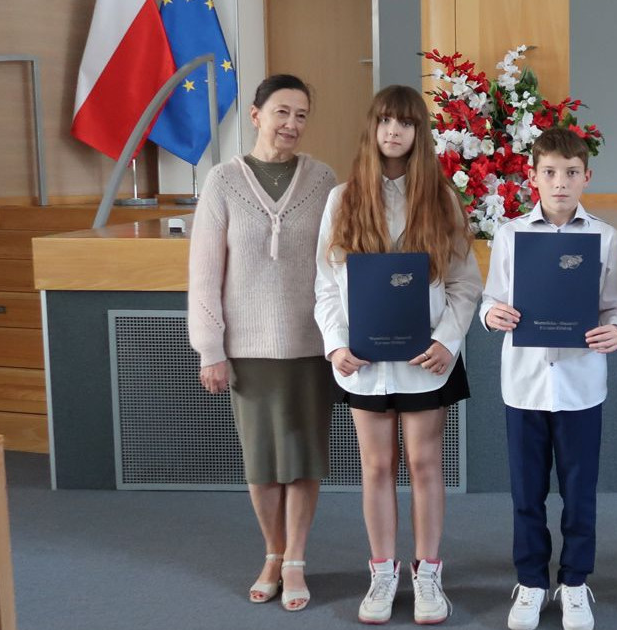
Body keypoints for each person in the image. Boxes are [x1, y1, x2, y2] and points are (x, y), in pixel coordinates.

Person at [313, 84, 482, 626]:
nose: (394, 131)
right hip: (363, 363)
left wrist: (447, 342)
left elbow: (464, 286)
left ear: (419, 133)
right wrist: (335, 344)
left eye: (405, 122)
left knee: (426, 465)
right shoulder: (342, 199)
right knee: (376, 466)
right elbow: (324, 286)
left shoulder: (441, 198)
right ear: (372, 127)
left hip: (423, 360)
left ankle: (428, 570)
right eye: (385, 120)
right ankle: (381, 572)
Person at [188, 74, 340, 612]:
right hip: (248, 346)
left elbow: (339, 263)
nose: (291, 124)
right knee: (261, 461)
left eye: (301, 114)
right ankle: (272, 553)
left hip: (310, 343)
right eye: (281, 112)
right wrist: (210, 347)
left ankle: (295, 557)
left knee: (303, 457)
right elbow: (204, 274)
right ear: (255, 115)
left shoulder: (324, 180)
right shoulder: (222, 182)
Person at [479, 128, 617, 630]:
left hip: (582, 385)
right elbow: (490, 300)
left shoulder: (604, 238)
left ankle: (575, 582)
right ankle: (531, 581)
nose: (560, 183)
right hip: (523, 383)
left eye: (570, 173)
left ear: (586, 176)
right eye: (549, 173)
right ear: (533, 177)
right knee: (527, 490)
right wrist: (491, 316)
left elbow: (616, 309)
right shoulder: (509, 234)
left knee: (579, 490)